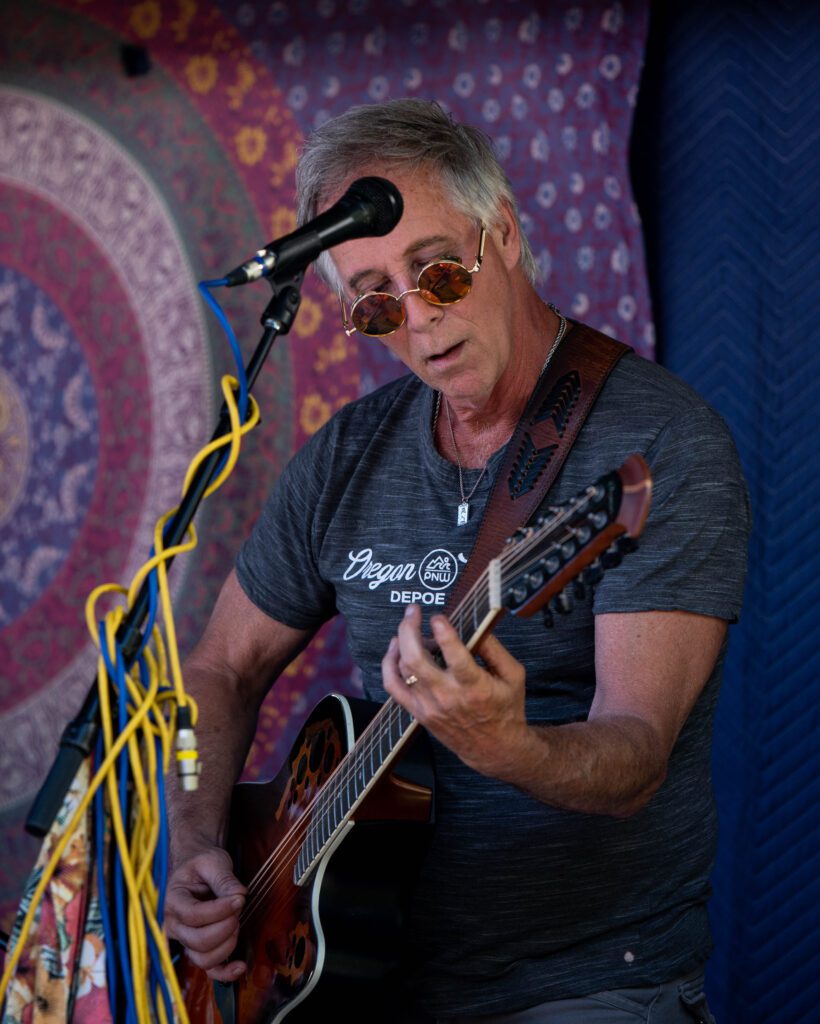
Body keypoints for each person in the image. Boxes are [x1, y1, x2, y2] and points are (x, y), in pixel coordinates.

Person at [165, 99, 750, 1023]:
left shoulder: (657, 447)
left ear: (505, 235)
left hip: (581, 981)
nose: (418, 319)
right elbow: (219, 668)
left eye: (438, 270)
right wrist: (193, 840)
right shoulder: (348, 454)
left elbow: (636, 756)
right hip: (352, 974)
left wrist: (506, 746)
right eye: (374, 300)